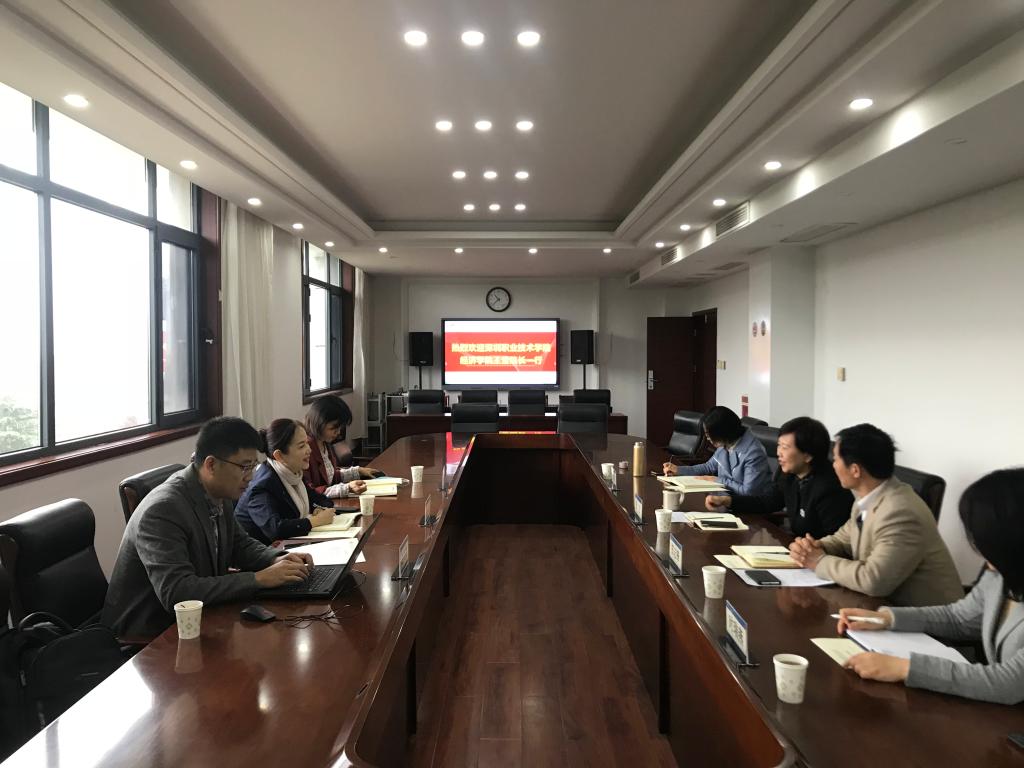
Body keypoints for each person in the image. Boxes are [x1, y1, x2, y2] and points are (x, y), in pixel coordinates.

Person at [101, 417, 314, 638]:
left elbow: (239, 544)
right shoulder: (162, 510)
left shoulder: (218, 490)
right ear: (211, 465)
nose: (250, 477)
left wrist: (276, 559)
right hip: (150, 634)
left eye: (253, 466)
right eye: (244, 467)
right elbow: (177, 592)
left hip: (202, 618)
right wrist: (259, 579)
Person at [835, 468, 1024, 705]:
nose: (979, 549)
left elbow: (1010, 684)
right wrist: (886, 619)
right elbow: (959, 618)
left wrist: (904, 668)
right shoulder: (1001, 573)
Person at [788, 423, 962, 606]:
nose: (833, 465)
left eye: (836, 459)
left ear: (855, 470)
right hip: (879, 608)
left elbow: (873, 580)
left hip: (924, 619)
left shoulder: (900, 512)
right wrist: (812, 547)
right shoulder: (867, 498)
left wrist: (819, 561)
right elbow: (842, 540)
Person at [705, 417, 852, 538]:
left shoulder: (830, 488)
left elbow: (837, 542)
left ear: (807, 455)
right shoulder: (789, 474)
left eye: (785, 447)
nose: (778, 453)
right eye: (779, 445)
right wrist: (728, 500)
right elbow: (768, 502)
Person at [235, 418, 365, 545]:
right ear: (279, 456)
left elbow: (321, 499)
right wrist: (314, 521)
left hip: (292, 545)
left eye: (307, 443)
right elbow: (275, 529)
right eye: (302, 446)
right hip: (265, 553)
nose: (309, 450)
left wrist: (319, 509)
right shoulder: (263, 485)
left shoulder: (294, 473)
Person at [662, 406, 772, 496]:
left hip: (747, 508)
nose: (707, 438)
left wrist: (717, 480)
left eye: (708, 434)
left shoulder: (753, 453)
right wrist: (678, 470)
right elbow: (708, 467)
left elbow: (748, 492)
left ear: (722, 432)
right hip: (724, 500)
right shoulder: (727, 443)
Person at [304, 395, 378, 495]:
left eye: (340, 428)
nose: (338, 432)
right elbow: (310, 493)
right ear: (318, 423)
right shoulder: (306, 449)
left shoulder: (324, 442)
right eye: (333, 428)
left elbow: (331, 476)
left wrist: (358, 471)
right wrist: (346, 488)